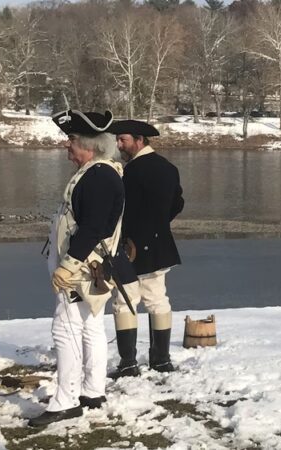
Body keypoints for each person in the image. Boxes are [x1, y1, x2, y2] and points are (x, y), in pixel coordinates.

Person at [30, 110, 141, 427]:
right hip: (89, 268)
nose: (67, 144)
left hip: (81, 270)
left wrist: (67, 266)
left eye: (72, 139)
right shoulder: (97, 173)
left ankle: (66, 401)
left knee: (64, 329)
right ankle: (92, 391)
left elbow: (93, 228)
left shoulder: (99, 177)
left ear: (89, 144)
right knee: (91, 326)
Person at [106, 119, 184, 378]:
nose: (119, 145)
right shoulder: (168, 167)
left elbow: (121, 209)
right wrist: (159, 224)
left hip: (130, 247)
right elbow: (178, 203)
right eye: (118, 140)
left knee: (124, 301)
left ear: (139, 140)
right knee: (158, 300)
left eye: (123, 140)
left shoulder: (130, 172)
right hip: (159, 244)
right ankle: (161, 361)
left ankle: (128, 363)